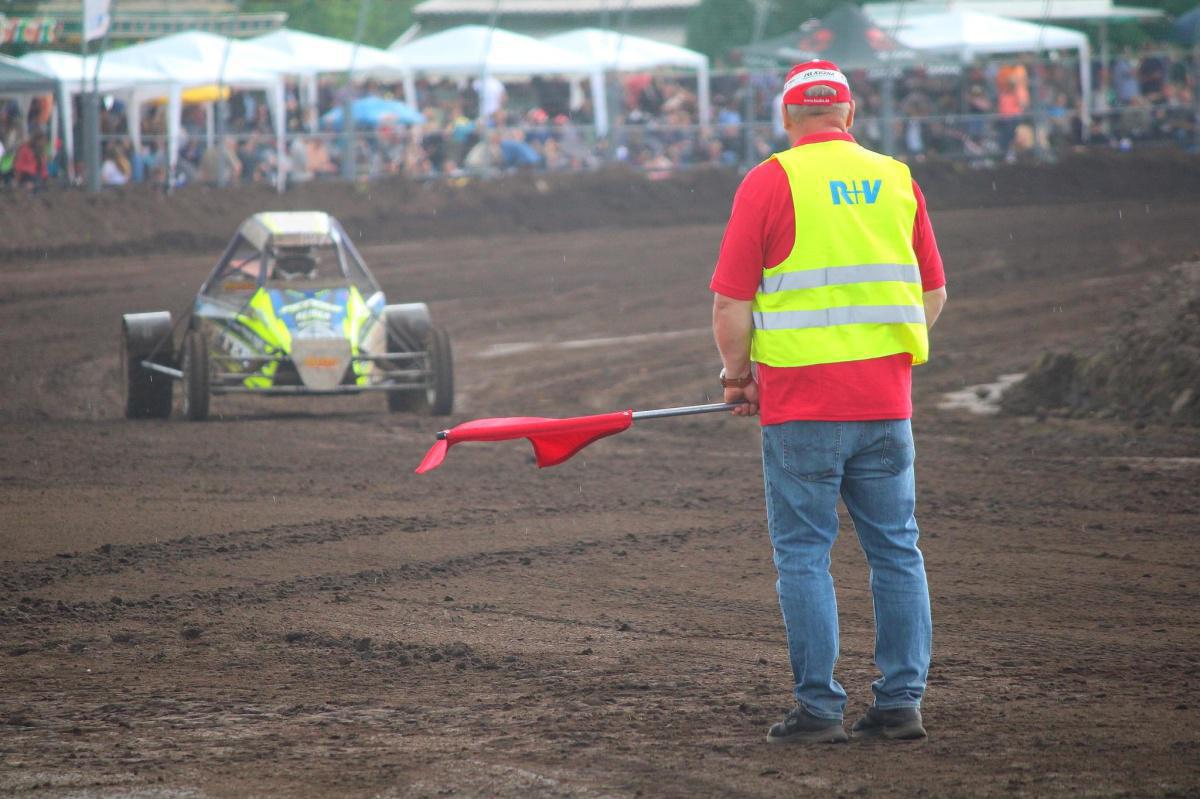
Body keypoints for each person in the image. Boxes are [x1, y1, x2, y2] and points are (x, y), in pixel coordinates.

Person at [709, 60, 947, 745]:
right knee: (896, 550)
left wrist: (737, 376)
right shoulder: (896, 179)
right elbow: (932, 294)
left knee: (804, 555)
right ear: (851, 113)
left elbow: (731, 303)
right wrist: (882, 352)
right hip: (885, 405)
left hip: (802, 408)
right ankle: (900, 703)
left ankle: (819, 709)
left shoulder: (769, 180)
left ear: (786, 117)